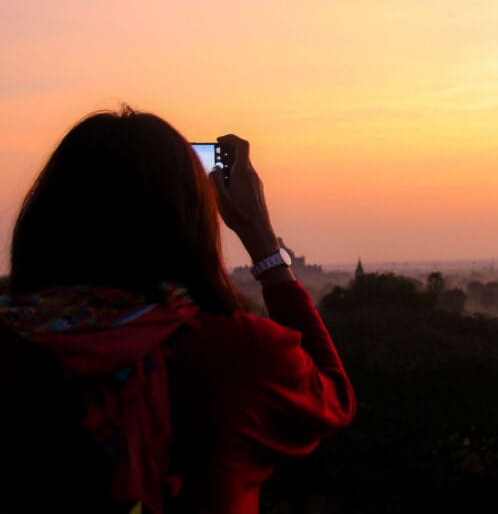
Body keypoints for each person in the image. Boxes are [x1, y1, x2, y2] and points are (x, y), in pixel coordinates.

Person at [0, 107, 355, 513]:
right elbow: (332, 400)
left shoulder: (12, 344)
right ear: (190, 220)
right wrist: (264, 244)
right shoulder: (237, 353)